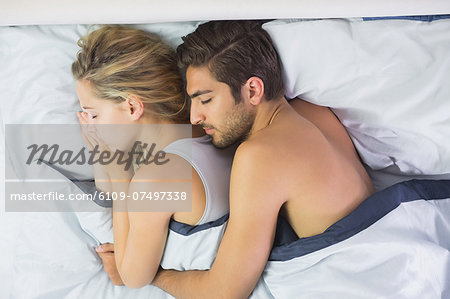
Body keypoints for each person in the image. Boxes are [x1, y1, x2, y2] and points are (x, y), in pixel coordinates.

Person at [151, 20, 375, 298]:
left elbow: (223, 292)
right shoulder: (314, 111)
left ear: (253, 90)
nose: (195, 116)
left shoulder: (259, 157)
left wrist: (156, 275)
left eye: (205, 100)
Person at [71, 25, 236, 288]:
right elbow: (106, 193)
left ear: (133, 106)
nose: (90, 127)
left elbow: (133, 277)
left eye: (93, 114)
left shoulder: (155, 180)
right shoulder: (201, 129)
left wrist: (121, 174)